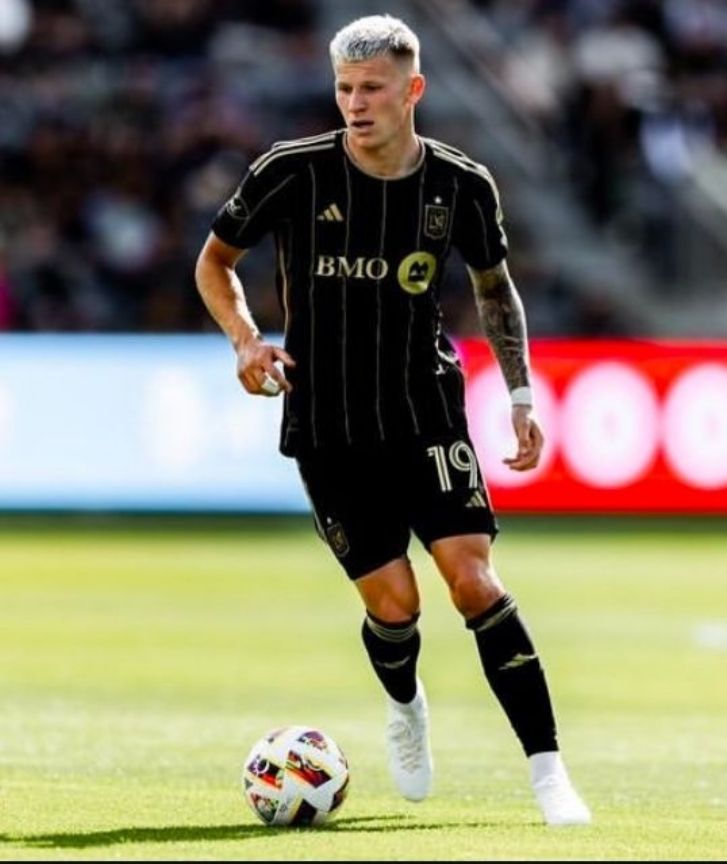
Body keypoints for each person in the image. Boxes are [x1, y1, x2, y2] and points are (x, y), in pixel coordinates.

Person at [195, 14, 591, 826]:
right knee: (395, 603)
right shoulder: (291, 171)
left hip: (424, 409)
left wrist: (521, 395)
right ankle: (406, 706)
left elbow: (494, 287)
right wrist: (245, 340)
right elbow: (215, 261)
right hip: (328, 422)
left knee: (474, 581)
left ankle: (549, 773)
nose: (355, 103)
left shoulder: (462, 184)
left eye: (372, 88)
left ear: (413, 90)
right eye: (344, 88)